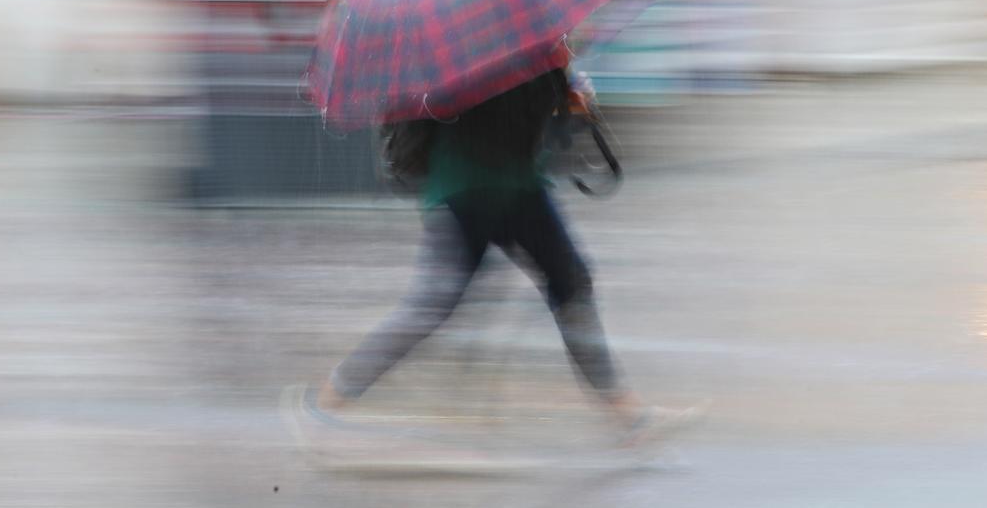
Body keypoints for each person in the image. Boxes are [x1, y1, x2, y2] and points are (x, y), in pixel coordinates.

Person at [297, 63, 694, 446]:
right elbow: (498, 107)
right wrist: (560, 91)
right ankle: (326, 402)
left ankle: (629, 418)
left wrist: (570, 100)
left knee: (571, 283)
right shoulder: (479, 45)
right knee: (434, 304)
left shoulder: (536, 42)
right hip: (468, 186)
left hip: (518, 186)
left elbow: (541, 126)